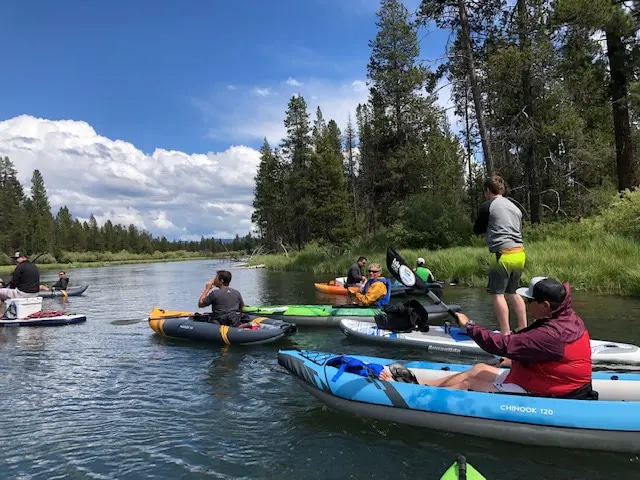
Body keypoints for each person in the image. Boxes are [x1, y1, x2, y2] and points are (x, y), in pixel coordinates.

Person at [379, 277, 594, 399]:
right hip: (546, 378)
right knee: (479, 369)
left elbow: (502, 344)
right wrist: (515, 359)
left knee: (469, 383)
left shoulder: (551, 333)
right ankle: (420, 384)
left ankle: (417, 396)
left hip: (554, 392)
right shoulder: (566, 316)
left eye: (529, 301)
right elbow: (549, 354)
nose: (527, 304)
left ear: (545, 305)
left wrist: (469, 327)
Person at [473, 174, 527, 335]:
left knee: (497, 294)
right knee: (513, 292)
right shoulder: (515, 207)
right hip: (520, 253)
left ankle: (505, 333)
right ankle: (523, 327)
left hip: (503, 255)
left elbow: (477, 229)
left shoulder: (488, 205)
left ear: (488, 190)